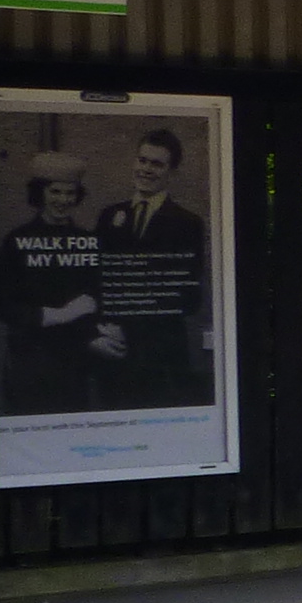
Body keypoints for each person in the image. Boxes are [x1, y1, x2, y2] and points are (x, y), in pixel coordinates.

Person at [93, 124, 212, 409]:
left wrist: (130, 326)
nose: (146, 170)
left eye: (157, 164)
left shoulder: (187, 223)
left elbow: (186, 295)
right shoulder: (110, 215)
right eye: (142, 160)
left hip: (161, 355)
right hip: (115, 350)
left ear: (172, 172)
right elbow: (96, 278)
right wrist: (102, 328)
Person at [0, 153, 103, 415]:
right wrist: (55, 315)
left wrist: (101, 332)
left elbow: (98, 297)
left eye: (70, 193)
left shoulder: (88, 241)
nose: (63, 200)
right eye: (55, 191)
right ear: (40, 193)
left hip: (74, 363)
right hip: (28, 361)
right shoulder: (17, 240)